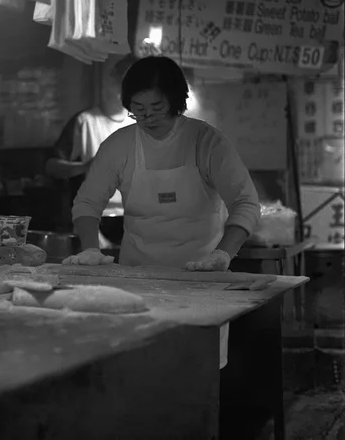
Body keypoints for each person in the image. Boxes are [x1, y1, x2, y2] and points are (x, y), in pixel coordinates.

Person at [70, 56, 261, 368]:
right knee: (141, 368)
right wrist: (90, 248)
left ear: (176, 100)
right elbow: (87, 203)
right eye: (138, 109)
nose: (147, 117)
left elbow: (245, 203)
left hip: (200, 277)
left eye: (156, 107)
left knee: (196, 370)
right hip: (138, 280)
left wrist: (224, 254)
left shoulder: (207, 141)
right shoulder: (119, 145)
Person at [45, 54, 136, 248]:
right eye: (124, 84)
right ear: (111, 81)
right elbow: (52, 166)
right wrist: (85, 166)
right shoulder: (85, 122)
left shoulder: (139, 125)